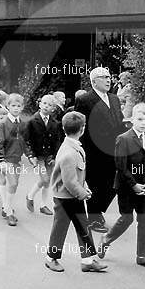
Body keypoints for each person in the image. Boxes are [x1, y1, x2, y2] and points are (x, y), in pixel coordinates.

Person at [44, 111, 108, 273]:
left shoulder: (73, 147)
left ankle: (87, 261)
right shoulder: (69, 153)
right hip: (65, 197)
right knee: (60, 227)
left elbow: (78, 174)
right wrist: (83, 193)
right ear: (82, 129)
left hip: (73, 196)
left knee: (83, 227)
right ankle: (51, 258)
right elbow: (69, 182)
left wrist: (84, 186)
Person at [97, 103, 145, 270]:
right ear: (132, 119)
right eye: (140, 119)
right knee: (127, 218)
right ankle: (106, 239)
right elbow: (121, 166)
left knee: (144, 220)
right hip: (126, 186)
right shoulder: (123, 139)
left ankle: (143, 256)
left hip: (143, 187)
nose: (143, 123)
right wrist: (134, 185)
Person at [74, 67, 125, 232]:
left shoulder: (115, 99)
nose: (109, 80)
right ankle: (94, 217)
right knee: (96, 183)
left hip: (114, 149)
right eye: (104, 77)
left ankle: (98, 210)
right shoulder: (85, 99)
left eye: (110, 77)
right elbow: (79, 125)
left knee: (112, 184)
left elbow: (119, 121)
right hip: (94, 150)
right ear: (94, 81)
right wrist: (78, 148)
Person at [0, 94, 33, 226]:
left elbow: (25, 142)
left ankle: (6, 208)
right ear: (8, 106)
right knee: (12, 184)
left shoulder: (23, 125)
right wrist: (1, 160)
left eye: (19, 106)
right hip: (5, 159)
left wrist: (30, 156)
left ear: (22, 107)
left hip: (16, 159)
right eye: (13, 106)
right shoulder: (3, 124)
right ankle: (8, 211)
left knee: (12, 184)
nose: (16, 108)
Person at [25, 94, 62, 216]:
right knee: (44, 179)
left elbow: (57, 141)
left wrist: (55, 156)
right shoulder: (32, 121)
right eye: (44, 103)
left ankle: (43, 205)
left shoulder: (55, 123)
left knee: (48, 181)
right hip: (38, 155)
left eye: (50, 105)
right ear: (40, 104)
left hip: (49, 156)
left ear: (53, 109)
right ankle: (30, 196)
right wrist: (31, 156)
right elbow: (27, 140)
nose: (46, 106)